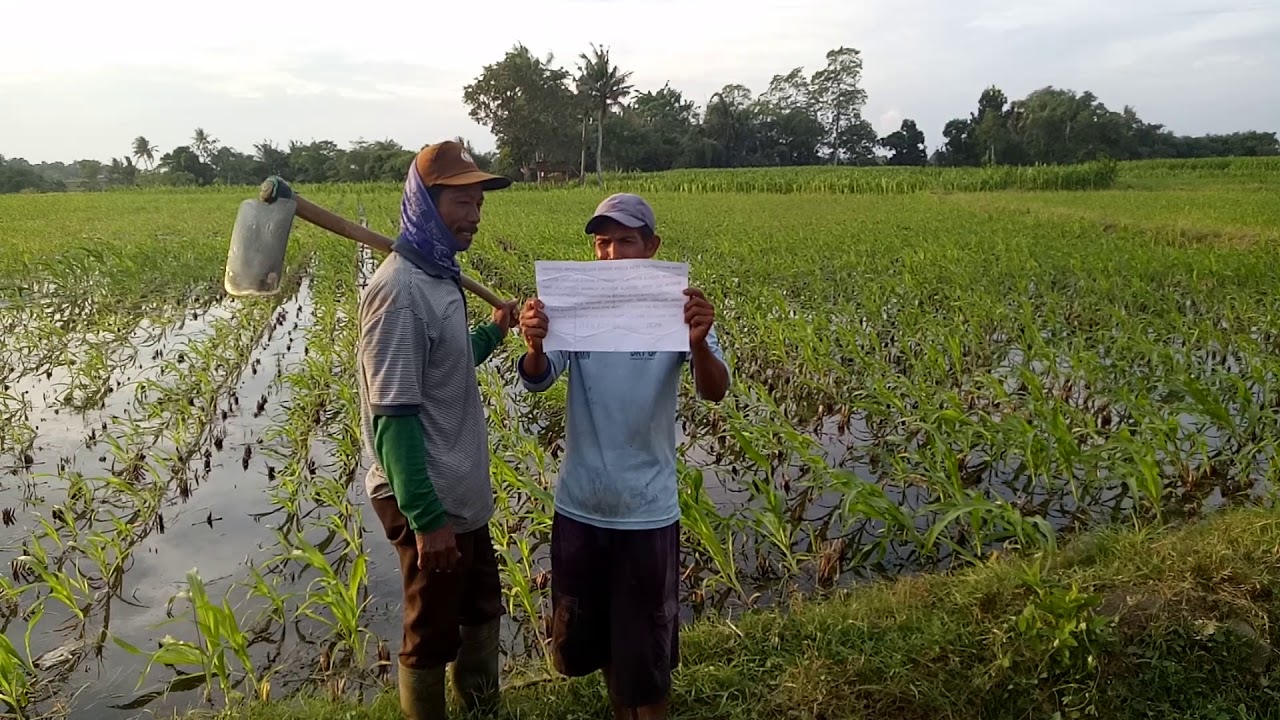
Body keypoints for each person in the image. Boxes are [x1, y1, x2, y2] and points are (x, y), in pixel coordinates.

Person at [516, 193, 731, 720]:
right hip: (581, 505)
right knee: (602, 644)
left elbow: (714, 390)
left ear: (652, 246)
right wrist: (536, 345)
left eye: (625, 241)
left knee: (647, 656)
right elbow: (541, 380)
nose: (611, 253)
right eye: (602, 242)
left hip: (645, 509)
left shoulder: (678, 309)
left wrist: (700, 343)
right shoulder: (577, 306)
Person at [356, 140, 518, 720]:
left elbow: (446, 361)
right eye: (462, 202)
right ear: (426, 202)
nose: (475, 215)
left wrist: (496, 333)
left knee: (480, 611)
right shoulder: (398, 292)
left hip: (461, 496)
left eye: (479, 203)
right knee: (431, 631)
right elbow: (393, 417)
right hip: (428, 499)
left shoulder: (439, 276)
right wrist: (427, 521)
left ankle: (481, 709)